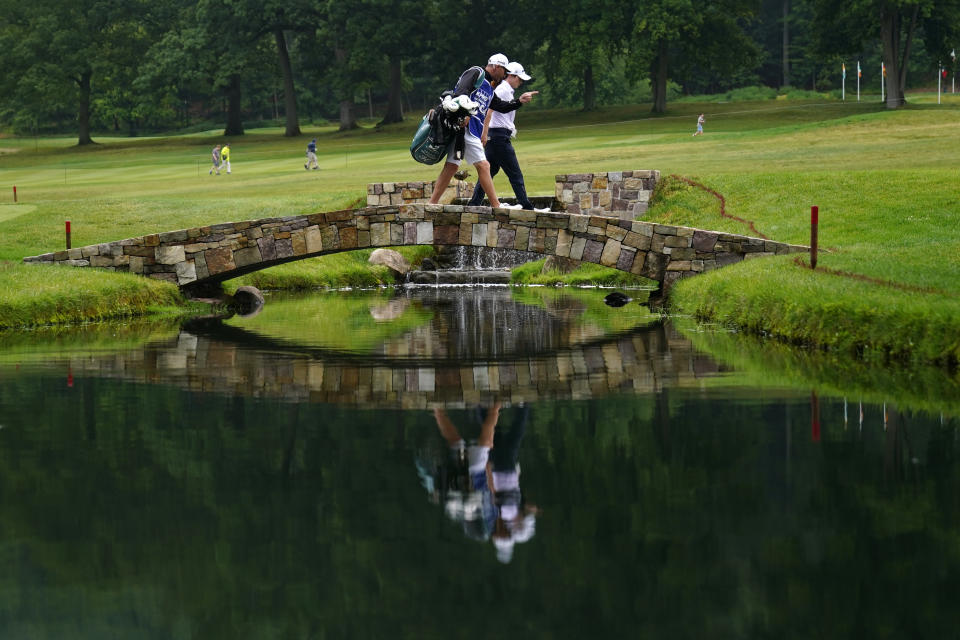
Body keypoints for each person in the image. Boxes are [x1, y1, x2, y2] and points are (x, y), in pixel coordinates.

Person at [427, 54, 536, 208]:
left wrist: (519, 102)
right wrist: (463, 113)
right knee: (484, 166)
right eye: (504, 70)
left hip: (467, 131)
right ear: (496, 67)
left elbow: (501, 106)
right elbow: (461, 91)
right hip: (466, 128)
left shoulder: (490, 89)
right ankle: (496, 206)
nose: (505, 75)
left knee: (452, 166)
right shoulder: (476, 72)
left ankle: (432, 203)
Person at [468, 61, 544, 211]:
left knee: (489, 172)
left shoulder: (507, 90)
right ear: (512, 76)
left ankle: (474, 204)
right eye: (520, 79)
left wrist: (519, 101)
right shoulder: (503, 90)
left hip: (496, 136)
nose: (521, 82)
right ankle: (527, 207)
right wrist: (484, 134)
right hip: (498, 137)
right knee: (515, 173)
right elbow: (489, 112)